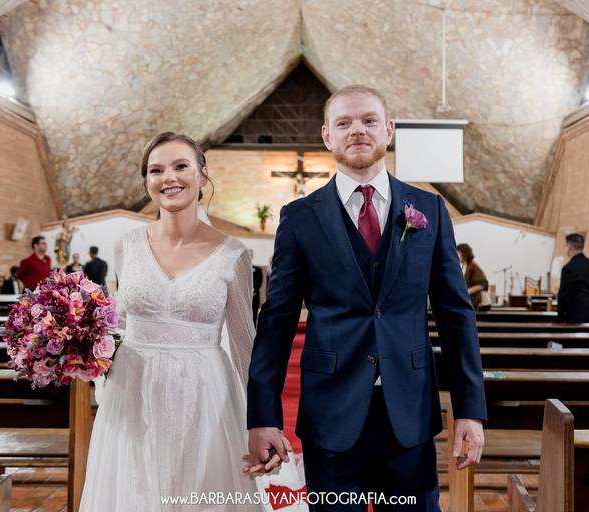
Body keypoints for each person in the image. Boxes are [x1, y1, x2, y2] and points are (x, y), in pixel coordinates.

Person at [245, 85, 487, 510]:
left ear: (388, 130)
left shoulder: (429, 210)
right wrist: (263, 416)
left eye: (369, 120)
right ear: (327, 136)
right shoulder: (299, 219)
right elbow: (277, 320)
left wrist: (470, 409)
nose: (357, 130)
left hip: (409, 411)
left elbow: (456, 314)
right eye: (344, 123)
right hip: (330, 412)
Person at [79, 132, 291, 511]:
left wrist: (264, 420)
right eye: (156, 170)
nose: (169, 178)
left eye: (181, 166)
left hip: (203, 394)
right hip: (134, 393)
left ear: (202, 175)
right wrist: (83, 350)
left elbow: (245, 346)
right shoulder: (126, 244)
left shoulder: (233, 254)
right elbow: (119, 321)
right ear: (146, 180)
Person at [557, 233, 589, 323]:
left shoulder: (568, 268)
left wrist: (560, 318)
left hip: (576, 318)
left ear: (569, 248)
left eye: (565, 246)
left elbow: (563, 295)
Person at [457, 243, 489, 311]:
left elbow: (482, 284)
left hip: (475, 302)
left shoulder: (473, 266)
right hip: (468, 301)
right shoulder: (464, 266)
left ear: (464, 254)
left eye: (458, 253)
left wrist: (467, 291)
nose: (456, 255)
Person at [249, 250, 263, 325]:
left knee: (254, 314)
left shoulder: (258, 269)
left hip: (255, 295)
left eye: (250, 255)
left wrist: (253, 290)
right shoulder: (241, 269)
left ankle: (253, 329)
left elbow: (259, 281)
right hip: (245, 296)